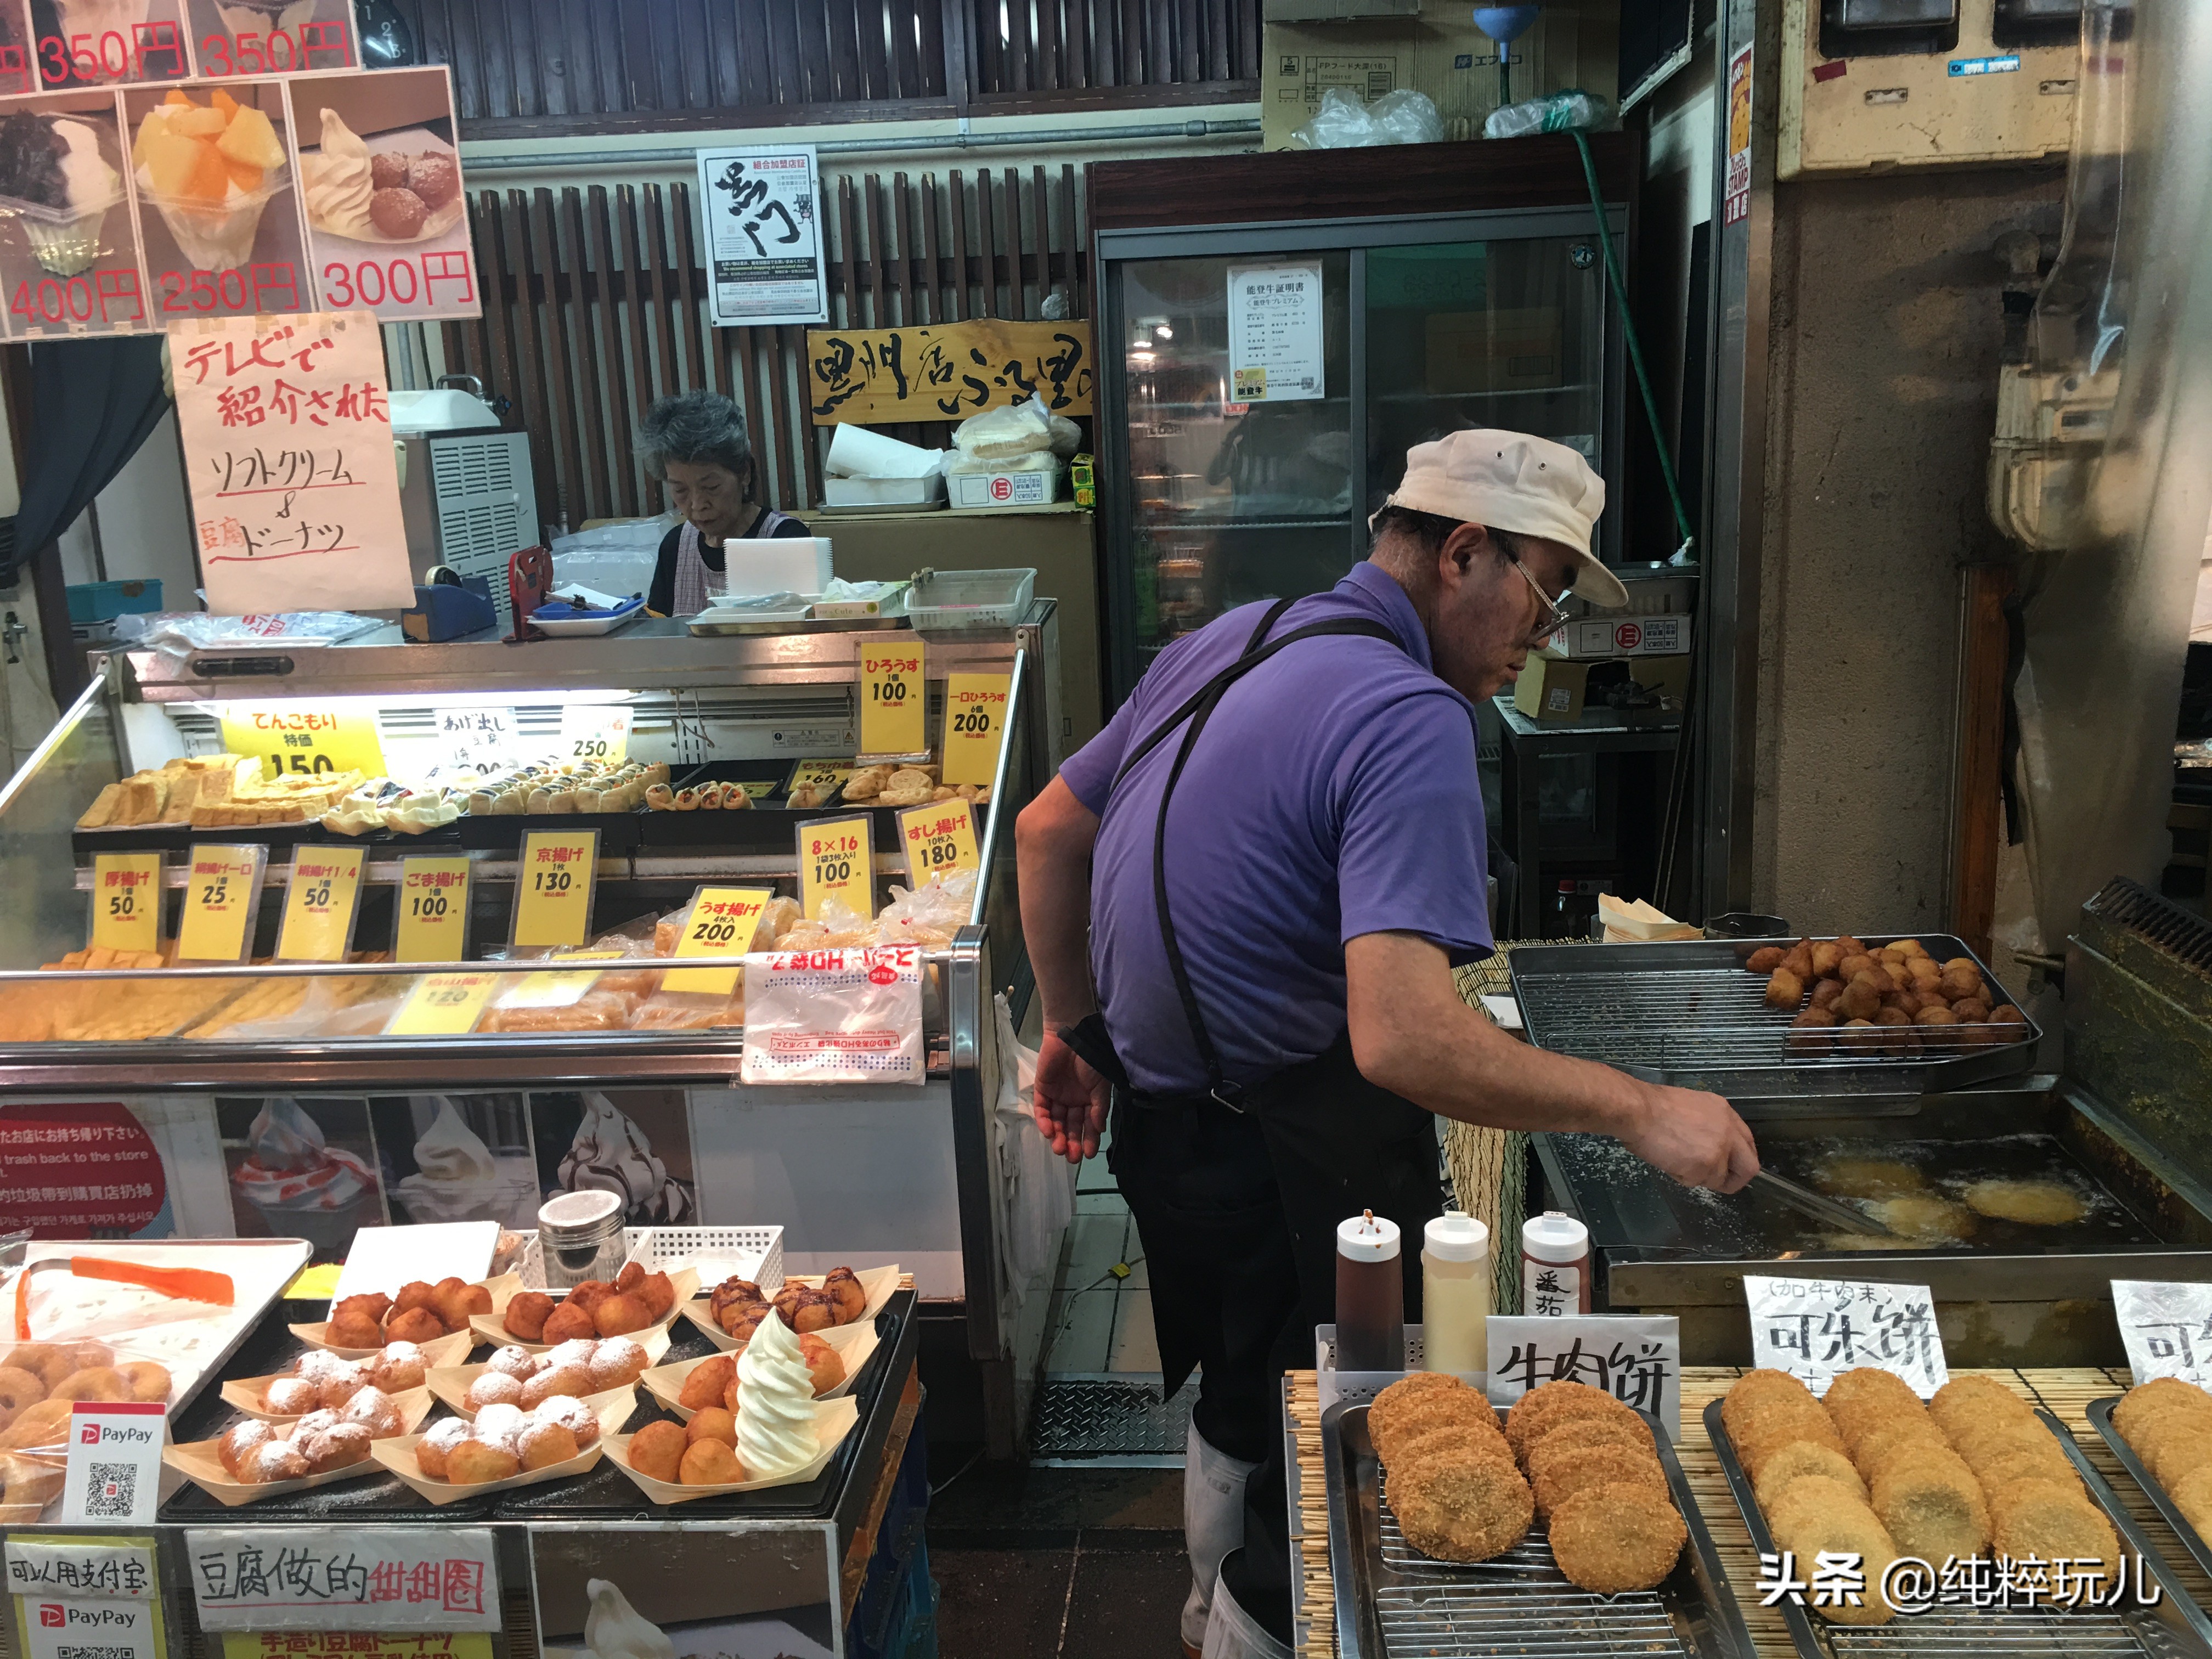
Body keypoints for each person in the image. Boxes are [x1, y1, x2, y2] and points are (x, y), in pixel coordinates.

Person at [1016, 430, 1760, 1659]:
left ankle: (1203, 1614)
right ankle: (1252, 1623)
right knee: (1335, 1459)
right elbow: (1404, 1038)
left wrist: (1075, 1025)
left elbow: (1048, 832)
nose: (1543, 638)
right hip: (1301, 1158)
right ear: (1464, 553)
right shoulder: (1410, 714)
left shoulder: (1232, 636)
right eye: (1543, 595)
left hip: (1167, 1137)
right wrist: (1639, 1106)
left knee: (1246, 1391)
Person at [637, 390, 812, 616]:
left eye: (711, 487)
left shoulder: (786, 540)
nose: (697, 505)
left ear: (744, 473)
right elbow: (660, 630)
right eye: (680, 490)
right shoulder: (676, 547)